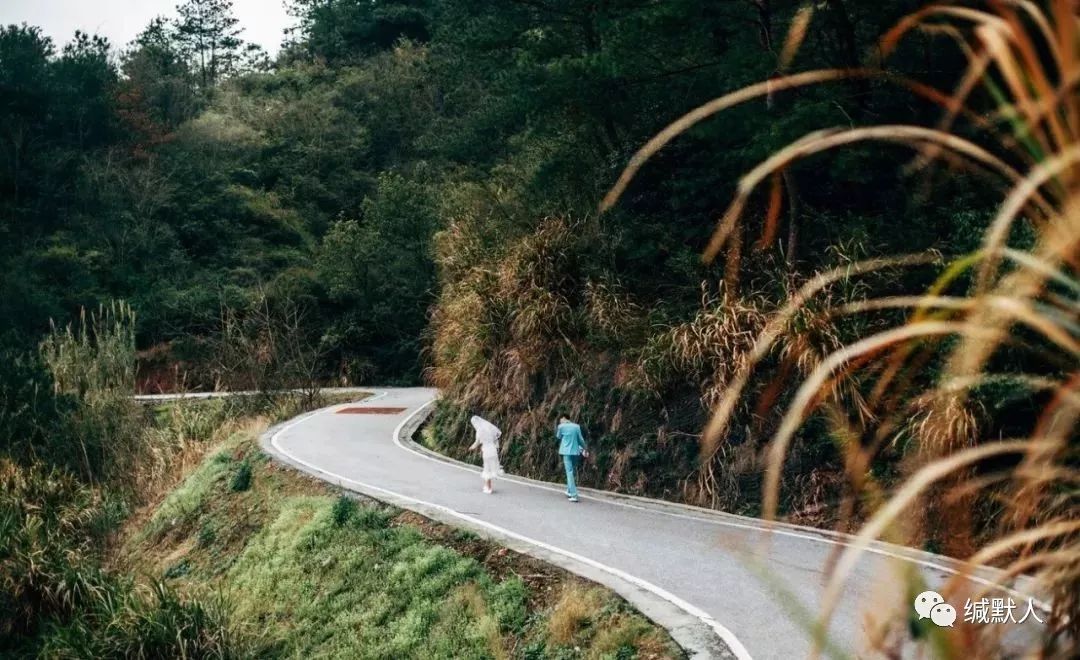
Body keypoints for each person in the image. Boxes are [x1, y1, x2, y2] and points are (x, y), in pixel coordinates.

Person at [555, 415, 588, 503]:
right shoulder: (576, 426)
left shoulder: (561, 427)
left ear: (564, 418)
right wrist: (585, 448)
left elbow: (558, 437)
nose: (560, 421)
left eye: (561, 419)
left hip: (566, 452)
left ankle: (574, 495)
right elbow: (580, 439)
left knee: (569, 472)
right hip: (575, 451)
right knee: (572, 471)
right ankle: (569, 491)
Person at [469, 415, 503, 494]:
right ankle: (487, 485)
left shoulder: (479, 431)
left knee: (487, 469)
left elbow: (476, 443)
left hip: (487, 451)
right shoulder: (489, 429)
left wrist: (471, 448)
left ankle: (488, 488)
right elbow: (496, 440)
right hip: (493, 450)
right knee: (490, 469)